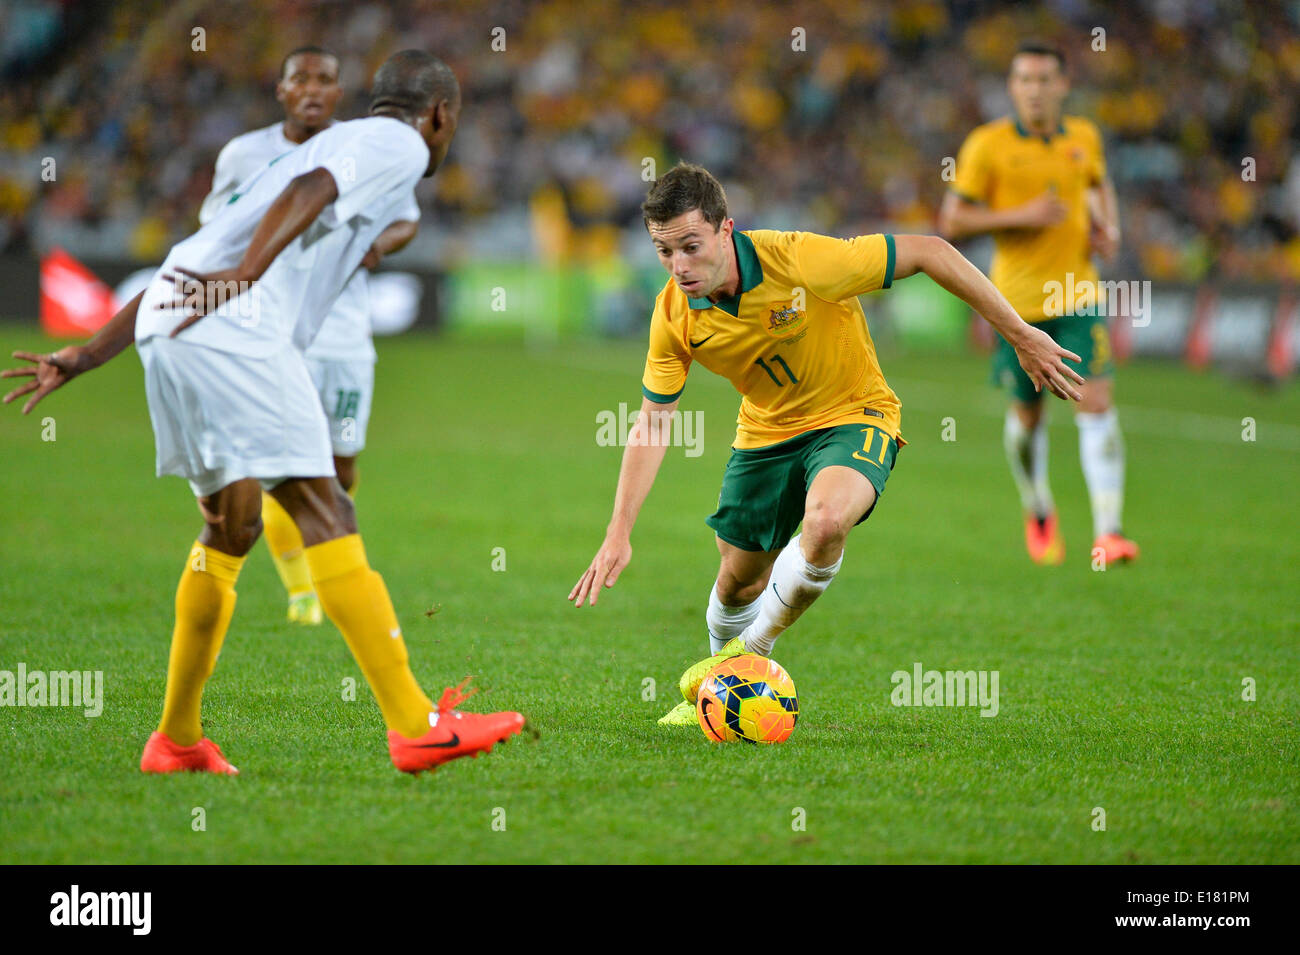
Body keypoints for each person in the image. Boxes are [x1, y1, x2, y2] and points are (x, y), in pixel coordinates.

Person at [3, 50, 524, 774]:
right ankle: (414, 724)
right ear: (441, 115)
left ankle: (176, 739)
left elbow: (187, 262)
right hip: (237, 325)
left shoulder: (315, 145)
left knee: (231, 525)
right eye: (450, 124)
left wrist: (85, 356)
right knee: (323, 504)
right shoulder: (395, 141)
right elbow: (311, 191)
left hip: (169, 321)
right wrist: (248, 277)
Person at [568, 162, 1084, 725]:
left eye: (690, 246)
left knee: (826, 522)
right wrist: (618, 533)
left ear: (725, 230)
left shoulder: (799, 259)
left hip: (855, 414)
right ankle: (718, 689)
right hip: (764, 434)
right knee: (739, 580)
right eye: (664, 253)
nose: (679, 267)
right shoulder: (673, 315)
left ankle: (751, 657)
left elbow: (932, 251)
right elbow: (653, 422)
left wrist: (1021, 335)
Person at [199, 45, 420, 625]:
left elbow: (407, 218)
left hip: (344, 336)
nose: (313, 89)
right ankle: (305, 591)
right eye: (301, 78)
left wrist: (374, 244)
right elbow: (216, 227)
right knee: (283, 462)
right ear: (281, 89)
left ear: (339, 91)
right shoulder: (244, 155)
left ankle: (315, 576)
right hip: (272, 332)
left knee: (340, 469)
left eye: (326, 79)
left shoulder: (365, 148)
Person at [939, 40, 1137, 567]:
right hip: (1016, 306)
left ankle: (1109, 531)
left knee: (1096, 402)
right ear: (1012, 87)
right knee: (1027, 419)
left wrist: (1106, 225)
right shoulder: (988, 145)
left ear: (1063, 85)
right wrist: (1020, 215)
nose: (1035, 89)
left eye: (1045, 79)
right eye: (1024, 80)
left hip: (1078, 296)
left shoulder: (1085, 137)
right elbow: (952, 221)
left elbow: (1099, 184)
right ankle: (1038, 506)